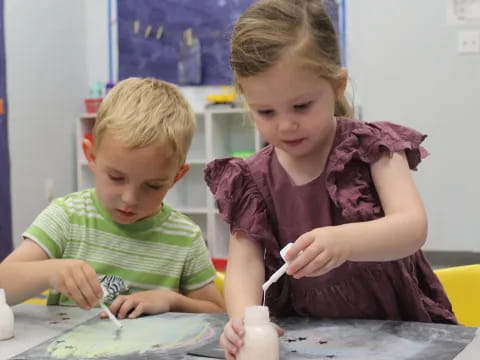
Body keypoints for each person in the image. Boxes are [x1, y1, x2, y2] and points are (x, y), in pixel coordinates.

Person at [203, 0, 455, 357]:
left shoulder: (372, 149)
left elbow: (412, 227)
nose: (286, 124)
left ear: (337, 86)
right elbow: (244, 265)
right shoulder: (251, 179)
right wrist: (244, 321)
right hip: (306, 337)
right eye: (266, 111)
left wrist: (346, 241)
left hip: (394, 331)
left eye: (301, 106)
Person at [0, 77, 224, 318]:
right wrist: (51, 272)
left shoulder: (185, 239)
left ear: (176, 177)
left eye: (152, 186)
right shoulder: (66, 218)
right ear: (91, 156)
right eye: (116, 178)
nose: (129, 198)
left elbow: (219, 313)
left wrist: (171, 300)